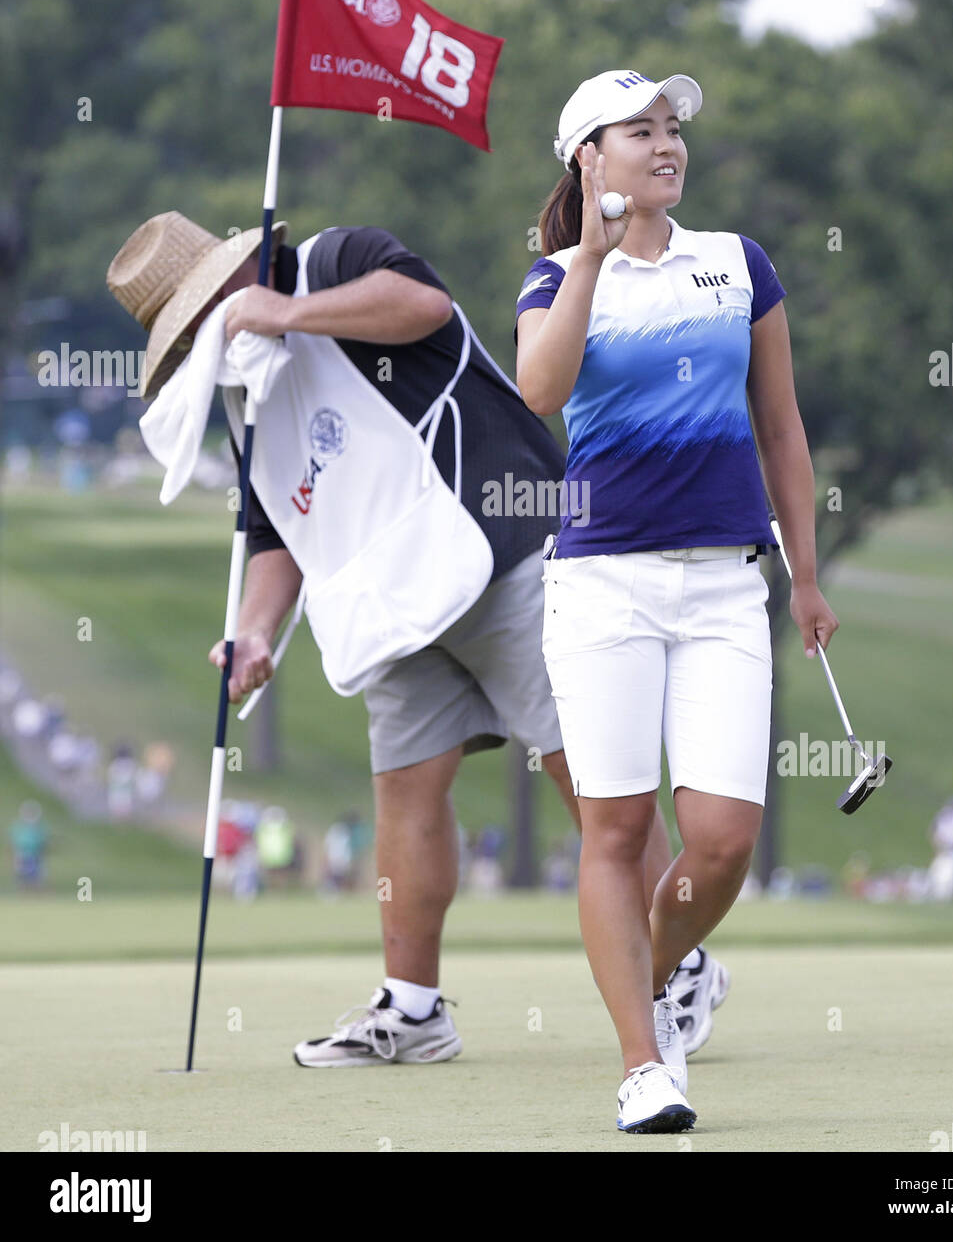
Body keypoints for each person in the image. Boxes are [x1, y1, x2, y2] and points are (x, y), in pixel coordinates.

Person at [106, 210, 698, 1068]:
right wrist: (252, 632)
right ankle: (414, 1010)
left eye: (208, 315)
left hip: (501, 549)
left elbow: (420, 305)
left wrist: (287, 314)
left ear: (238, 278)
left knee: (590, 772)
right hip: (386, 605)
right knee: (406, 792)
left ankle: (680, 971)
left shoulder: (334, 259)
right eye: (190, 333)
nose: (211, 337)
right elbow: (276, 531)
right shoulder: (245, 393)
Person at [515, 69, 838, 1133]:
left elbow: (781, 428)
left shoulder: (736, 264)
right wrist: (592, 268)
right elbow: (541, 390)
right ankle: (640, 1063)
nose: (664, 145)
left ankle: (653, 978)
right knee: (612, 827)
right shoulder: (553, 275)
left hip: (721, 584)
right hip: (601, 581)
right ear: (587, 158)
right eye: (637, 131)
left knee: (721, 839)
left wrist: (805, 571)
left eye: (671, 129)